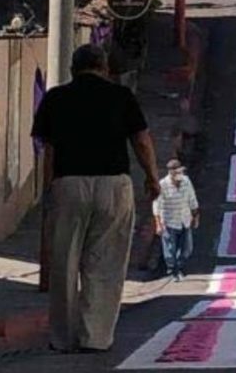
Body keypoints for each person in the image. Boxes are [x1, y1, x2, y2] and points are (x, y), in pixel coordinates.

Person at [32, 44, 160, 354]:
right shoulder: (121, 96)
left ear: (73, 69)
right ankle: (96, 337)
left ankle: (63, 338)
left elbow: (49, 151)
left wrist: (49, 190)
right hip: (113, 185)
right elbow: (141, 141)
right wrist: (152, 177)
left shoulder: (56, 98)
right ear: (105, 68)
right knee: (106, 263)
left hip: (69, 184)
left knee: (64, 262)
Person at [152, 159, 200, 280]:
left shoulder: (186, 181)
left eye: (181, 172)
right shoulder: (163, 185)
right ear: (171, 173)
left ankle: (179, 266)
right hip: (169, 222)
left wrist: (196, 216)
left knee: (187, 248)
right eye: (177, 172)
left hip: (185, 220)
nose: (180, 175)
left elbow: (192, 199)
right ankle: (173, 269)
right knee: (170, 249)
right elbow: (157, 205)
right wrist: (158, 224)